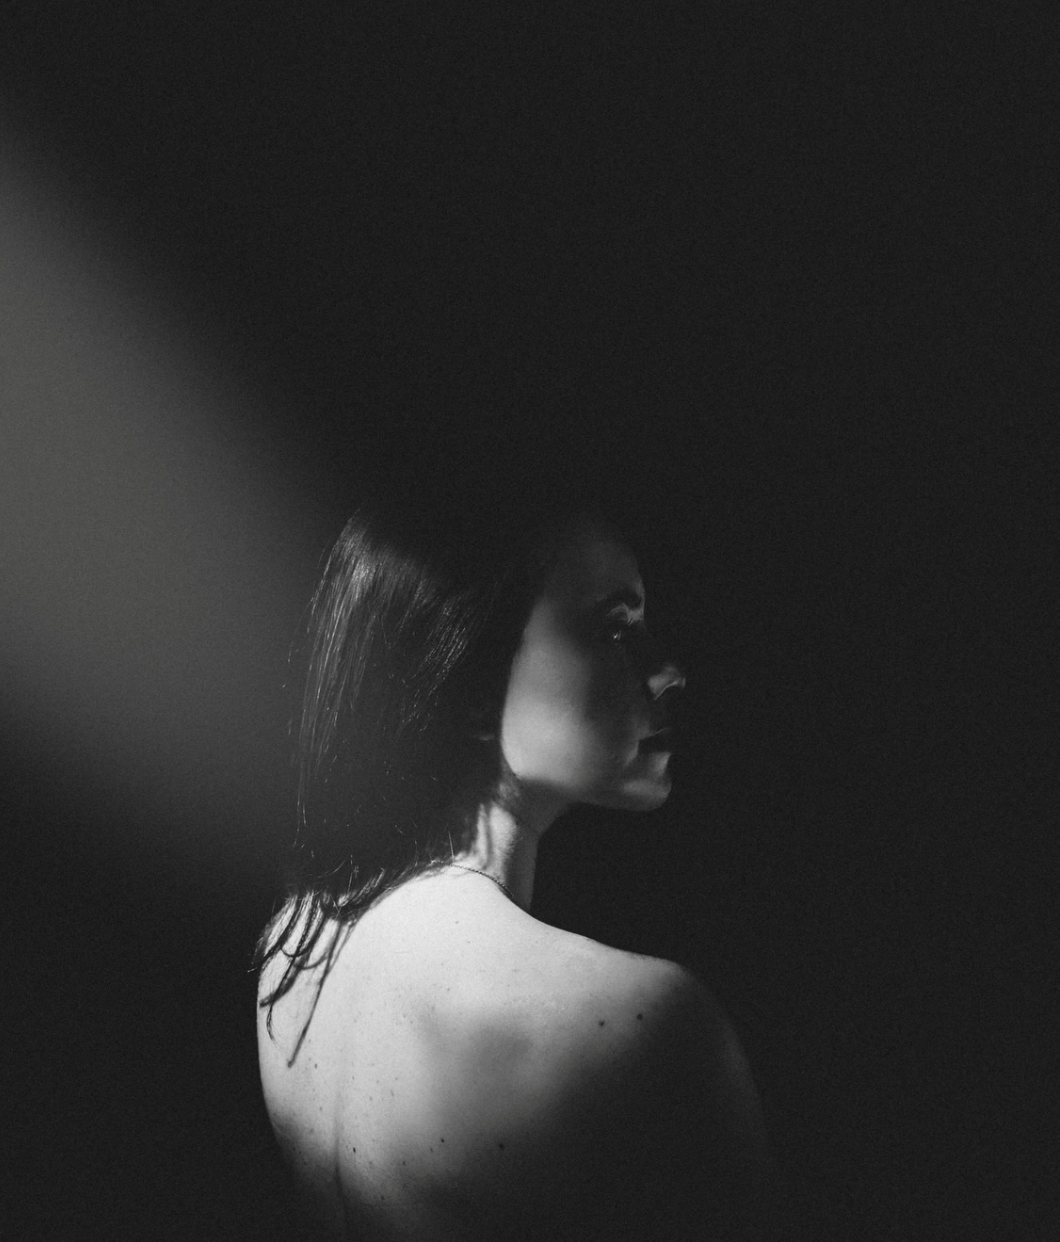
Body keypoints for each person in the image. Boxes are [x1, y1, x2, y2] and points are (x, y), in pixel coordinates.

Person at [254, 473, 775, 1240]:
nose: (669, 669)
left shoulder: (293, 950)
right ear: (469, 674)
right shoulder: (638, 1028)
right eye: (615, 628)